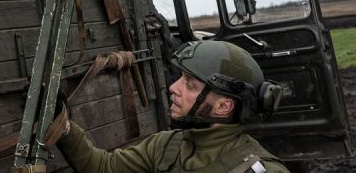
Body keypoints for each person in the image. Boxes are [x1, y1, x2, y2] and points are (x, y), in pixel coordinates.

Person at [53, 40, 288, 172]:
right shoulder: (167, 145)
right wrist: (63, 128)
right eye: (180, 78)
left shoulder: (258, 170)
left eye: (190, 84)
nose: (174, 87)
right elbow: (103, 167)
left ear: (223, 106)